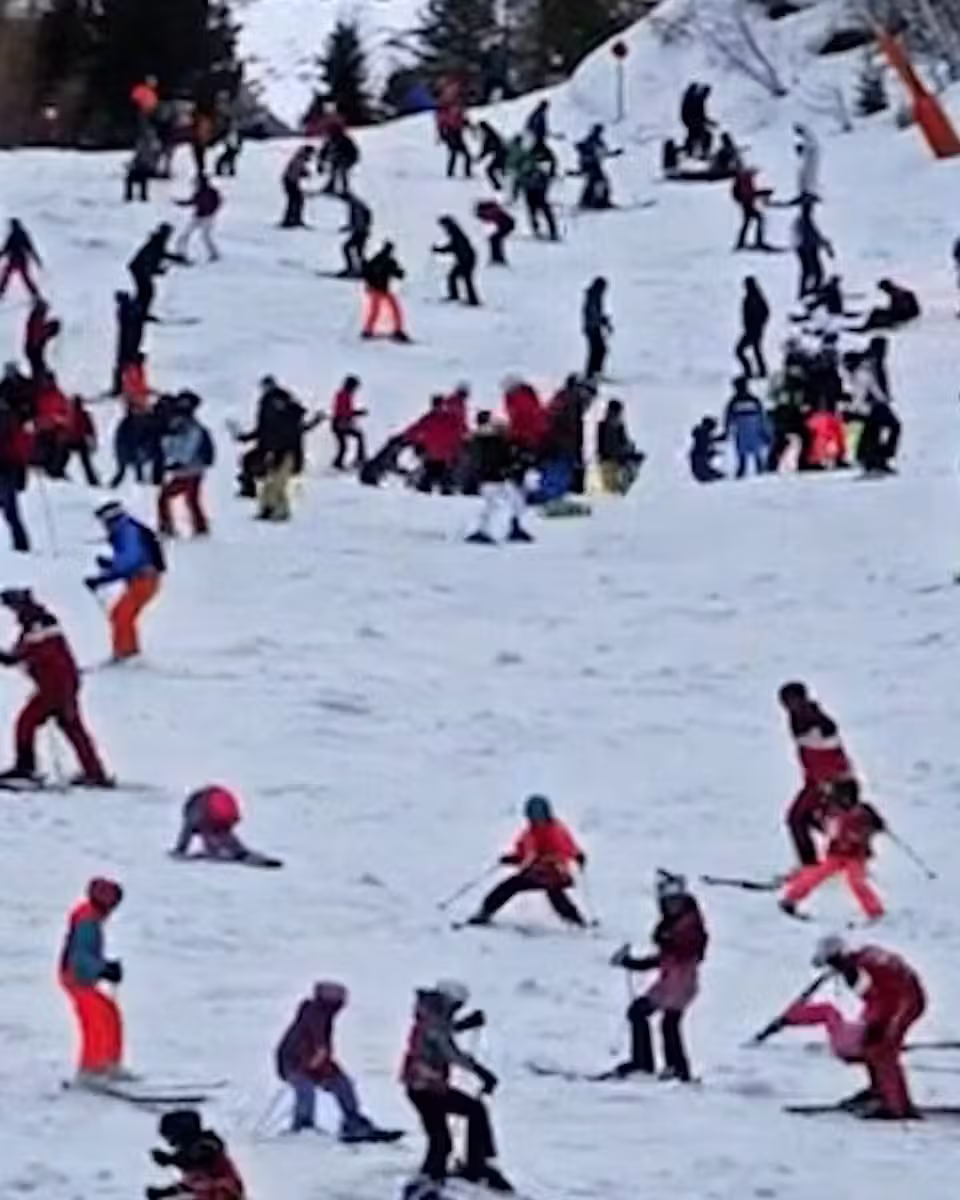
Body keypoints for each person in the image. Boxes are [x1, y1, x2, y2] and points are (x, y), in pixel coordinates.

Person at [401, 979, 510, 1200]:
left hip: (426, 1086)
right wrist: (480, 1072)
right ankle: (427, 1184)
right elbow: (447, 1049)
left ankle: (471, 1165)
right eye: (456, 1006)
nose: (456, 1010)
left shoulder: (431, 1013)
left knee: (469, 1114)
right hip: (425, 1087)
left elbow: (442, 1032)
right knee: (444, 1135)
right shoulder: (432, 1020)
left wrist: (466, 1024)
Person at [0, 590, 110, 785]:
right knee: (72, 727)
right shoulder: (37, 623)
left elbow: (24, 655)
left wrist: (9, 657)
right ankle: (94, 771)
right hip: (62, 685)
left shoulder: (37, 626)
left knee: (26, 723)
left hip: (55, 687)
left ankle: (25, 768)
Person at [809, 937, 926, 1118]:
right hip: (893, 1002)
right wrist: (874, 1022)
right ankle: (880, 1090)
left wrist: (886, 1025)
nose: (834, 969)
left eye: (833, 963)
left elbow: (897, 993)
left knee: (884, 1051)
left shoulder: (865, 966)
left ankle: (894, 1105)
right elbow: (876, 996)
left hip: (905, 1003)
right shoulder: (866, 958)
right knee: (871, 1044)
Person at [608, 871, 708, 1081]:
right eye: (667, 902)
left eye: (675, 901)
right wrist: (631, 963)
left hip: (678, 985)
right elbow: (663, 958)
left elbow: (690, 947)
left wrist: (667, 938)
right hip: (676, 983)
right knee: (667, 1024)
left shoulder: (688, 924)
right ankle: (675, 1068)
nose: (671, 906)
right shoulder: (681, 922)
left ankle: (645, 1064)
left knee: (640, 1012)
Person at [276, 982, 399, 1141]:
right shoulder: (314, 1014)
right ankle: (303, 1126)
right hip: (293, 1063)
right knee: (306, 1089)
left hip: (315, 1062)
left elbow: (322, 1049)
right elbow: (313, 1044)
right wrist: (313, 1062)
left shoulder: (324, 1015)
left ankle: (352, 1120)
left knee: (343, 1084)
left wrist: (323, 1064)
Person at [466, 795, 586, 926]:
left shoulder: (555, 830)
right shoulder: (530, 832)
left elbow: (565, 849)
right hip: (535, 872)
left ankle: (575, 921)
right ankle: (485, 912)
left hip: (555, 871)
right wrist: (514, 857)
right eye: (533, 816)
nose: (537, 819)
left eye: (539, 816)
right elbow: (525, 851)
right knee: (510, 885)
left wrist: (577, 855)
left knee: (553, 891)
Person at [780, 780, 885, 920]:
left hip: (856, 856)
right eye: (841, 796)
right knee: (815, 875)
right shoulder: (833, 810)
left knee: (857, 882)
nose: (844, 800)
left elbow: (878, 825)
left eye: (847, 796)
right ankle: (790, 899)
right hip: (835, 854)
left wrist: (876, 825)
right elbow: (824, 825)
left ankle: (875, 911)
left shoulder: (864, 810)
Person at [779, 681, 854, 867]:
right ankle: (815, 865)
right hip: (816, 782)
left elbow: (832, 750)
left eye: (792, 701)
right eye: (786, 702)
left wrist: (833, 784)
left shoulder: (819, 721)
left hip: (835, 783)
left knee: (803, 820)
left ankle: (835, 863)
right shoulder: (797, 720)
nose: (789, 706)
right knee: (802, 820)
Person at [59, 877, 125, 1081]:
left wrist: (106, 966)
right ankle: (91, 1068)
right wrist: (104, 969)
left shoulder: (91, 917)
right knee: (95, 1021)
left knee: (109, 1013)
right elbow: (80, 957)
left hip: (84, 978)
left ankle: (110, 1064)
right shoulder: (87, 921)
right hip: (75, 978)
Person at [84, 501, 165, 662]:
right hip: (142, 578)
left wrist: (103, 578)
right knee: (122, 615)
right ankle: (128, 650)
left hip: (143, 579)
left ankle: (125, 653)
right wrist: (109, 564)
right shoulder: (127, 529)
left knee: (121, 615)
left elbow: (129, 562)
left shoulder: (127, 532)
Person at [146, 1109, 246, 1200]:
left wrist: (171, 1160)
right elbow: (192, 1183)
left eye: (170, 1137)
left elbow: (199, 1158)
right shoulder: (193, 1160)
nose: (172, 1144)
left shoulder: (207, 1145)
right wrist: (163, 1192)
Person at [171, 785, 281, 867]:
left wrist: (179, 852)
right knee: (229, 840)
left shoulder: (193, 815)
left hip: (212, 812)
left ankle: (231, 855)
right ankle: (246, 855)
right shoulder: (202, 802)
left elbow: (184, 838)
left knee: (214, 844)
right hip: (226, 813)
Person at [464, 412, 532, 544]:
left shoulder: (481, 439)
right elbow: (498, 459)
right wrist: (511, 465)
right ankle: (483, 530)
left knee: (509, 502)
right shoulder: (492, 440)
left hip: (492, 478)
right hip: (492, 478)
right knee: (500, 505)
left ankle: (510, 528)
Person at [158, 392, 214, 537]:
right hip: (191, 469)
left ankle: (169, 527)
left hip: (190, 470)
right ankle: (199, 528)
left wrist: (177, 462)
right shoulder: (184, 424)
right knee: (190, 499)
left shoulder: (190, 426)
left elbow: (187, 447)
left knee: (178, 498)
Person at [404, 396, 463, 495]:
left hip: (442, 455)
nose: (438, 408)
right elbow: (413, 431)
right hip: (434, 455)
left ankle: (442, 497)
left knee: (439, 479)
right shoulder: (430, 418)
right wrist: (415, 442)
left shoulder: (447, 419)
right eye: (436, 405)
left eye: (439, 405)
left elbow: (458, 435)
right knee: (432, 479)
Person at [0, 388, 30, 551]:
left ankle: (21, 545)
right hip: (10, 466)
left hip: (7, 467)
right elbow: (21, 443)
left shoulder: (8, 420)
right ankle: (21, 544)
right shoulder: (12, 419)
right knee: (10, 509)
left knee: (10, 509)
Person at [361, 241, 410, 342]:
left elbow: (366, 272)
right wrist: (400, 273)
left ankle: (368, 330)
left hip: (379, 289)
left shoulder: (378, 259)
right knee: (393, 310)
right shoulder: (387, 261)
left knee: (377, 310)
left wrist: (368, 284)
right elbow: (398, 274)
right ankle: (397, 330)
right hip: (379, 289)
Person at [128, 224, 177, 320]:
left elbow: (161, 255)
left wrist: (175, 258)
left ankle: (139, 312)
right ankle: (139, 313)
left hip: (140, 268)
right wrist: (157, 270)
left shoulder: (158, 240)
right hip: (140, 269)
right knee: (146, 292)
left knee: (145, 292)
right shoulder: (158, 242)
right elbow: (152, 258)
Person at [596, 399, 644, 494]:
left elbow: (624, 442)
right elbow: (607, 448)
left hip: (619, 459)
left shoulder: (619, 426)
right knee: (611, 489)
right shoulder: (604, 426)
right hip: (609, 461)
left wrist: (629, 448)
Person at [723, 376, 769, 477]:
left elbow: (728, 419)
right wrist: (765, 432)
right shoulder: (754, 400)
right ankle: (760, 474)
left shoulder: (734, 402)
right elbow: (762, 418)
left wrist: (726, 432)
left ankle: (745, 474)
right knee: (754, 457)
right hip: (752, 432)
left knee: (745, 458)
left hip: (743, 433)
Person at [174, 174, 222, 263]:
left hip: (208, 218)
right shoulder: (198, 192)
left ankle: (214, 254)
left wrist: (211, 211)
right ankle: (180, 253)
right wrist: (179, 203)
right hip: (198, 216)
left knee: (205, 236)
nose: (195, 184)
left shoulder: (212, 192)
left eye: (196, 182)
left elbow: (218, 203)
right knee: (185, 235)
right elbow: (192, 202)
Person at [433, 217, 480, 307]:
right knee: (454, 277)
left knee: (463, 278)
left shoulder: (454, 232)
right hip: (466, 258)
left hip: (466, 259)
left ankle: (472, 300)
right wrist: (439, 250)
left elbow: (454, 247)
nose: (443, 228)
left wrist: (439, 250)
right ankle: (462, 297)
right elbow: (453, 246)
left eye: (443, 225)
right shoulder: (454, 231)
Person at [793, 198, 834, 299]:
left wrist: (824, 243)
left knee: (809, 271)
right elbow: (812, 236)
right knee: (816, 272)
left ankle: (806, 291)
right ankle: (812, 291)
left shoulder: (804, 221)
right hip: (807, 249)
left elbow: (814, 235)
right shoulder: (805, 221)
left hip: (804, 248)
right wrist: (825, 244)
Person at [111, 292, 146, 397]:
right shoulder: (129, 309)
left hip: (126, 340)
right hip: (130, 339)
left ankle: (120, 388)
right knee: (128, 364)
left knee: (123, 364)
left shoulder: (125, 310)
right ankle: (126, 386)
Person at [853, 279, 920, 332]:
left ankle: (867, 327)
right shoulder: (897, 291)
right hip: (907, 312)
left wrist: (891, 319)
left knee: (876, 311)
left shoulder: (897, 293)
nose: (883, 291)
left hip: (907, 314)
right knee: (878, 312)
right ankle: (871, 325)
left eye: (882, 289)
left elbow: (901, 308)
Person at [520, 151, 559, 242]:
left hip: (535, 195)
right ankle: (542, 230)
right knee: (538, 213)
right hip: (534, 195)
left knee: (539, 213)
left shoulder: (537, 173)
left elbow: (523, 183)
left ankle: (549, 231)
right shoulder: (535, 173)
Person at [0, 219, 42, 300]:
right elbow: (31, 248)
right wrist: (37, 260)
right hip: (23, 259)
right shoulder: (24, 235)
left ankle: (1, 292)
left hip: (14, 258)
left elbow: (6, 249)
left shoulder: (12, 235)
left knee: (7, 274)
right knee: (25, 277)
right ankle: (35, 294)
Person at [736, 276, 769, 379]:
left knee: (740, 350)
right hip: (753, 329)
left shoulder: (754, 298)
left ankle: (751, 371)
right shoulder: (754, 297)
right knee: (756, 350)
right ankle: (760, 370)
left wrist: (759, 324)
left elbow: (765, 312)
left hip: (753, 330)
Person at [330, 375, 366, 470]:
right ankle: (359, 459)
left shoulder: (345, 395)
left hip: (340, 423)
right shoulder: (343, 395)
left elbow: (346, 411)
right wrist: (357, 413)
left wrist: (354, 414)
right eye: (355, 387)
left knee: (345, 445)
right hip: (339, 423)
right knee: (349, 442)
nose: (355, 390)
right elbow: (343, 411)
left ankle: (340, 462)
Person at [576, 124, 616, 210]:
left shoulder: (596, 141)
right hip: (591, 165)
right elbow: (584, 151)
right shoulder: (591, 141)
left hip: (593, 165)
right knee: (600, 181)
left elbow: (603, 153)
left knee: (593, 182)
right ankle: (600, 201)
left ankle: (587, 201)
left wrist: (613, 153)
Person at [732, 167, 771, 251]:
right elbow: (749, 193)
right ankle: (758, 241)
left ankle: (741, 242)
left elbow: (749, 192)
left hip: (746, 203)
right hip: (747, 203)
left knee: (748, 222)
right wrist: (763, 193)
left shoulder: (744, 178)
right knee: (758, 219)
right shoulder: (746, 179)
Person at [583, 277, 612, 381]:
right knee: (598, 350)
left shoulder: (595, 296)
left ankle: (594, 372)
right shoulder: (593, 297)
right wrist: (602, 321)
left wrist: (604, 322)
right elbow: (593, 313)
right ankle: (593, 373)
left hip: (593, 327)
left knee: (598, 350)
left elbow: (597, 313)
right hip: (592, 327)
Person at [24, 298, 60, 381]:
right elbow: (36, 333)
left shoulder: (37, 319)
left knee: (39, 368)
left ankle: (38, 381)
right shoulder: (37, 319)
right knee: (39, 368)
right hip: (34, 349)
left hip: (34, 348)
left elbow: (36, 332)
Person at [340, 193, 371, 278]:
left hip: (360, 232)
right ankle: (363, 270)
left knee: (346, 248)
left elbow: (358, 219)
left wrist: (357, 227)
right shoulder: (357, 204)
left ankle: (352, 269)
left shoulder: (356, 205)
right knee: (359, 252)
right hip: (362, 231)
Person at [475, 200, 515, 267]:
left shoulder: (492, 211)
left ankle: (498, 258)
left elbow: (502, 221)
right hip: (503, 225)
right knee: (493, 239)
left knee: (494, 239)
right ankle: (496, 257)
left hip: (508, 225)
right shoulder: (490, 210)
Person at [281, 146, 313, 228]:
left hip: (290, 181)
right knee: (295, 200)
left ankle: (293, 219)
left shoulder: (300, 157)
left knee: (296, 200)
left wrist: (304, 173)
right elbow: (294, 172)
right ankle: (291, 219)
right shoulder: (299, 159)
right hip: (290, 182)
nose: (311, 157)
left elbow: (299, 170)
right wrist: (304, 174)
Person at [321, 128, 360, 197]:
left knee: (342, 171)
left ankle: (345, 189)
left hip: (348, 158)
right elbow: (324, 151)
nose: (328, 136)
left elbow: (351, 152)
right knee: (333, 169)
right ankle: (331, 186)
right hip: (338, 158)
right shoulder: (330, 140)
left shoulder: (344, 140)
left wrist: (339, 156)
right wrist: (322, 159)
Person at [689, 417, 725, 483]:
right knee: (707, 473)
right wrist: (714, 453)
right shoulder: (704, 433)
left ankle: (708, 474)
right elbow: (705, 447)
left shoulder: (702, 433)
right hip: (700, 462)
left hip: (698, 459)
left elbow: (710, 441)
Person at [794, 122, 821, 199]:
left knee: (809, 176)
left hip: (811, 160)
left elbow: (812, 146)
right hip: (806, 159)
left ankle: (809, 193)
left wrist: (803, 148)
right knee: (802, 175)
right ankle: (803, 193)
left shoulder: (810, 136)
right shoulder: (803, 137)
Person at [477, 121, 507, 190]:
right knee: (492, 170)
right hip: (501, 156)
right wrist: (480, 157)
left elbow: (486, 149)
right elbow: (486, 150)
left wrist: (480, 157)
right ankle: (499, 185)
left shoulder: (490, 137)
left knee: (489, 170)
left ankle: (499, 186)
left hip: (501, 156)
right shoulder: (492, 135)